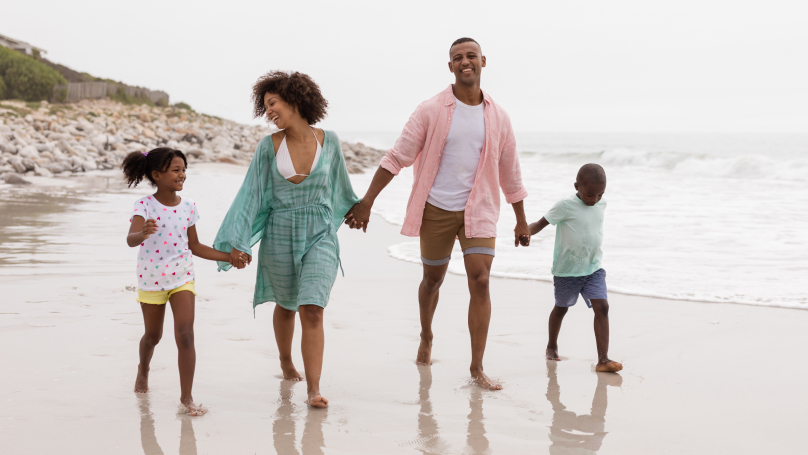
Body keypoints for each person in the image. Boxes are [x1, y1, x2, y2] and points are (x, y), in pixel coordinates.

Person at [345, 38, 530, 390]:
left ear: (483, 61)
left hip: (480, 209)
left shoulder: (499, 117)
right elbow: (396, 156)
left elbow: (510, 170)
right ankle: (427, 336)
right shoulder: (430, 110)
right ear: (450, 67)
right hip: (437, 209)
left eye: (471, 56)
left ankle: (477, 368)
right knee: (433, 280)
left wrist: (521, 219)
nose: (465, 62)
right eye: (457, 58)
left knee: (481, 280)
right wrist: (367, 201)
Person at [213, 71, 360, 408]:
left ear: (295, 99)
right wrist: (239, 241)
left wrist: (356, 211)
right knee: (286, 304)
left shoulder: (330, 141)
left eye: (272, 103)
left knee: (311, 308)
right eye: (265, 106)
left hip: (320, 233)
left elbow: (341, 187)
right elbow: (250, 194)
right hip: (280, 233)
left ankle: (313, 388)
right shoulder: (269, 147)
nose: (269, 112)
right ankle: (285, 360)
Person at [124, 147, 247, 416]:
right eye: (176, 170)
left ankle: (187, 398)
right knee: (153, 336)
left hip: (182, 277)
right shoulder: (144, 206)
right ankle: (143, 369)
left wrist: (229, 256)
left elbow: (195, 246)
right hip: (152, 279)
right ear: (157, 175)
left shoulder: (189, 206)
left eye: (184, 170)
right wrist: (142, 233)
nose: (182, 175)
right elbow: (130, 239)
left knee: (186, 335)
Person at [523, 163, 623, 372]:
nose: (594, 200)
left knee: (602, 307)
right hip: (568, 271)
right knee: (561, 308)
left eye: (600, 195)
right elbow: (541, 224)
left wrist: (597, 199)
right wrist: (526, 233)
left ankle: (603, 360)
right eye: (589, 195)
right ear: (576, 186)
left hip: (593, 267)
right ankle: (551, 345)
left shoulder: (601, 204)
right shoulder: (565, 205)